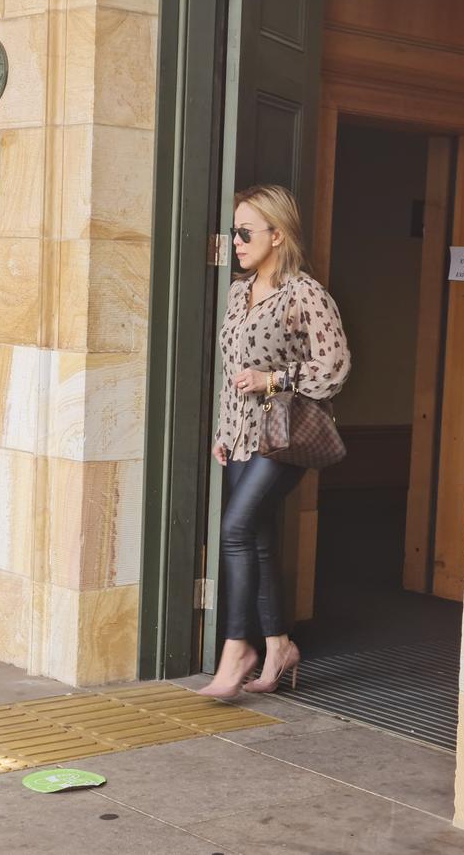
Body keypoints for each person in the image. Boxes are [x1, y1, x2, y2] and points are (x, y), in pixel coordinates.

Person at [199, 184, 351, 699]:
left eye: (245, 232)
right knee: (258, 537)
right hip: (240, 435)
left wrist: (274, 380)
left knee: (236, 529)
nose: (236, 241)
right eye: (234, 231)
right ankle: (280, 645)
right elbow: (228, 371)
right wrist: (221, 429)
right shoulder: (238, 292)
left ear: (277, 235)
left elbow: (334, 367)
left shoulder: (305, 293)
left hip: (283, 433)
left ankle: (237, 648)